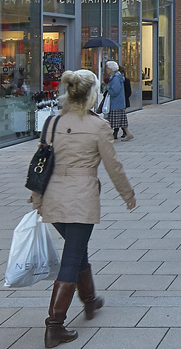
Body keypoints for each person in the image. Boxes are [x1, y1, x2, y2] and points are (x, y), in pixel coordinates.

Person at [31, 69, 137, 348]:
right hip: (81, 199)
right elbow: (113, 165)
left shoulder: (52, 123)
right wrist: (127, 193)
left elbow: (40, 163)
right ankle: (54, 325)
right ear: (92, 95)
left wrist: (37, 199)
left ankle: (90, 301)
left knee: (78, 250)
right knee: (72, 256)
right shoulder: (99, 126)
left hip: (53, 198)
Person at [101, 61, 132, 141]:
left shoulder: (115, 79)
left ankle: (108, 136)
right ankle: (128, 133)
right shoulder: (117, 77)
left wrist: (108, 90)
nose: (107, 70)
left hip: (116, 103)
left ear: (111, 69)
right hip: (119, 103)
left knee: (112, 120)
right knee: (121, 120)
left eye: (108, 68)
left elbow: (115, 91)